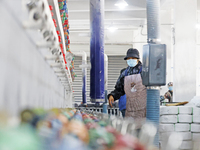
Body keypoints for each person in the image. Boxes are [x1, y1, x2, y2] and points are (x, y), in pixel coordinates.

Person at [108, 48, 147, 120]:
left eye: (133, 58)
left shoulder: (144, 71)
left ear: (138, 59)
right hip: (127, 108)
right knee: (129, 129)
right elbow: (119, 89)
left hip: (141, 108)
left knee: (141, 129)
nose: (130, 60)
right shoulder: (124, 73)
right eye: (129, 58)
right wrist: (112, 95)